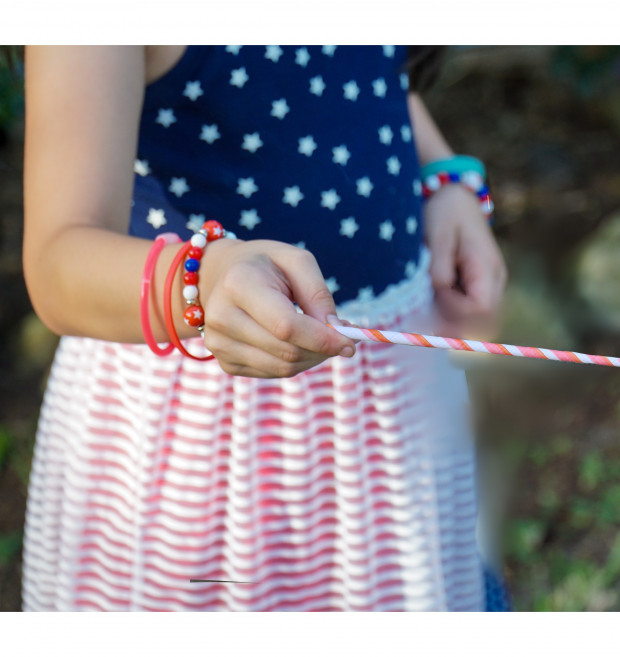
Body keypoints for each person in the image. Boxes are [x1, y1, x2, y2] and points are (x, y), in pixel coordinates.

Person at [20, 45, 508, 611]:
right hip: (211, 434)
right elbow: (58, 261)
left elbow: (368, 70)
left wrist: (442, 176)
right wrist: (202, 283)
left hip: (397, 408)